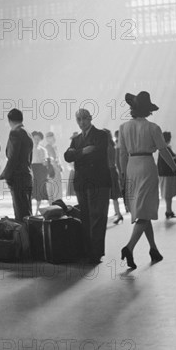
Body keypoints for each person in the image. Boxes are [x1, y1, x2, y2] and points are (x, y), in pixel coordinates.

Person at [119, 92, 176, 269]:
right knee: (144, 213)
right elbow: (164, 151)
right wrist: (175, 170)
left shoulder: (123, 127)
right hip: (146, 166)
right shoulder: (153, 128)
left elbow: (122, 154)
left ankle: (153, 249)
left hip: (131, 167)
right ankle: (129, 248)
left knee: (142, 211)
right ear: (148, 110)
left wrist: (123, 175)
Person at [64, 109, 111, 265]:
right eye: (79, 119)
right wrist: (83, 151)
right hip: (82, 182)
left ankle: (95, 253)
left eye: (84, 118)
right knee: (85, 217)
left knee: (97, 217)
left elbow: (97, 155)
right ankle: (88, 250)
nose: (82, 122)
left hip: (98, 182)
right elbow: (67, 156)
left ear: (90, 118)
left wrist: (77, 153)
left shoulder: (101, 135)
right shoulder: (77, 139)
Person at [0, 108, 33, 222]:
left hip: (18, 177)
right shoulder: (27, 133)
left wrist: (6, 175)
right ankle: (30, 237)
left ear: (9, 120)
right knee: (27, 211)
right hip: (27, 175)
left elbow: (13, 157)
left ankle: (24, 238)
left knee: (20, 213)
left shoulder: (15, 132)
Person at [157, 131, 176, 218]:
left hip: (165, 174)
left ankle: (169, 210)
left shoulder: (165, 148)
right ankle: (168, 211)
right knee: (168, 194)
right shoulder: (165, 149)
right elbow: (170, 160)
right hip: (167, 174)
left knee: (168, 194)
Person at [103, 129, 124, 224]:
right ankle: (118, 214)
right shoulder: (112, 146)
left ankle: (113, 215)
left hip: (107, 172)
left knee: (106, 195)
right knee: (114, 195)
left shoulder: (105, 147)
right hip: (113, 171)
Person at [31, 131, 49, 215]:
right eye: (35, 139)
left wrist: (45, 162)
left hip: (40, 170)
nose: (36, 140)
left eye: (38, 139)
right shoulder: (29, 148)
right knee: (31, 189)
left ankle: (37, 210)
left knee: (39, 191)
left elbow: (45, 161)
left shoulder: (43, 150)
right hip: (31, 169)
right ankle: (30, 210)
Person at [44, 132, 63, 203]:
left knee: (53, 193)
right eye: (50, 137)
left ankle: (54, 209)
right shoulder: (49, 147)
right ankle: (55, 209)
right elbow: (52, 160)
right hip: (53, 171)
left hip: (53, 171)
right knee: (55, 193)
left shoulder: (54, 147)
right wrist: (58, 168)